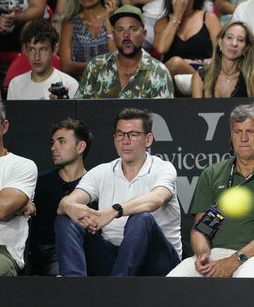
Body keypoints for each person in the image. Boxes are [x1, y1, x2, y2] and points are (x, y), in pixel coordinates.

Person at [168, 103, 254, 277]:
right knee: (174, 279)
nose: (243, 138)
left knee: (247, 278)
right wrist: (202, 254)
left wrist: (235, 260)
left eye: (250, 131)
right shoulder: (212, 173)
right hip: (216, 253)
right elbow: (201, 229)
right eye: (237, 132)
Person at [55, 108, 182, 276]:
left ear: (148, 139)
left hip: (158, 261)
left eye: (133, 134)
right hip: (113, 257)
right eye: (120, 135)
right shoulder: (102, 171)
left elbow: (156, 199)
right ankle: (74, 288)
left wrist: (114, 211)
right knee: (66, 220)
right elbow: (66, 203)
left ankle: (118, 289)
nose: (125, 141)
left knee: (141, 218)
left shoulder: (162, 168)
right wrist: (72, 207)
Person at [27, 118, 93, 276]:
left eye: (62, 141)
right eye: (53, 142)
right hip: (36, 254)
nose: (54, 147)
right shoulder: (39, 182)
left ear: (80, 147)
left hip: (76, 253)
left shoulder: (94, 184)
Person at [75, 5, 174, 99]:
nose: (126, 35)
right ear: (113, 36)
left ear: (144, 35)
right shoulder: (96, 67)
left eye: (133, 29)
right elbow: (78, 110)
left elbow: (162, 116)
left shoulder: (159, 72)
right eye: (120, 29)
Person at [153, 0, 221, 95]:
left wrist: (197, 64)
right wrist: (177, 16)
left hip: (205, 76)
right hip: (173, 81)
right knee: (175, 63)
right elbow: (161, 48)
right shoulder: (162, 23)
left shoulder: (209, 18)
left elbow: (220, 54)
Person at [59, 0, 117, 79]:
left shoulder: (114, 18)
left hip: (113, 82)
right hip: (81, 85)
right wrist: (100, 66)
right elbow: (66, 66)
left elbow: (119, 59)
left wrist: (109, 22)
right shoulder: (69, 24)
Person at [0, 102, 37, 276]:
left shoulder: (21, 166)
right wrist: (21, 205)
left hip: (2, 251)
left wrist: (11, 208)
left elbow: (2, 209)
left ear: (4, 126)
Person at [7, 18, 78, 100]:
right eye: (32, 49)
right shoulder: (15, 85)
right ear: (26, 51)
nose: (37, 57)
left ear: (54, 50)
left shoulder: (70, 84)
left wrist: (62, 106)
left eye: (43, 49)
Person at [192, 20, 254, 97]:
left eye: (240, 40)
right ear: (220, 42)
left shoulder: (253, 73)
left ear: (246, 48)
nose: (234, 43)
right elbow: (196, 108)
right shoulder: (199, 76)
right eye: (229, 37)